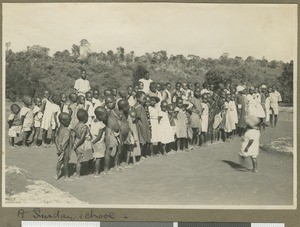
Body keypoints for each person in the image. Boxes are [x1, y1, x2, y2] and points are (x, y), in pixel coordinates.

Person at [73, 109, 93, 179]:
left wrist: (74, 144)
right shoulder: (85, 127)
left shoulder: (76, 126)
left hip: (76, 142)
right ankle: (78, 175)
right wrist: (77, 145)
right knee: (80, 160)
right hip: (81, 145)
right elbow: (82, 138)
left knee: (79, 159)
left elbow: (74, 135)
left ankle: (78, 173)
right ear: (85, 118)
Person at [104, 95, 121, 174]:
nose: (108, 104)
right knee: (108, 150)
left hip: (117, 132)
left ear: (114, 101)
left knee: (117, 149)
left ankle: (116, 165)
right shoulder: (107, 112)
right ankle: (106, 169)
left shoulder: (116, 110)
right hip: (110, 132)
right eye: (107, 103)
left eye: (110, 102)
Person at [54, 112, 72, 181]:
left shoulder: (58, 128)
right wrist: (62, 150)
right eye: (68, 121)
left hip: (59, 148)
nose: (69, 123)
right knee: (66, 163)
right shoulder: (67, 131)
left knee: (59, 162)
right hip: (65, 149)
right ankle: (66, 177)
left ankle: (57, 175)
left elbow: (55, 138)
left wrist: (58, 148)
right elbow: (66, 141)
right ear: (62, 121)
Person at [91, 106, 108, 177]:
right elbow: (99, 136)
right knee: (99, 158)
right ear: (100, 116)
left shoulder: (93, 121)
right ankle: (96, 173)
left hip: (93, 140)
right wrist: (94, 142)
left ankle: (93, 170)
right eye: (105, 116)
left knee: (95, 156)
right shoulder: (102, 125)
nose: (106, 117)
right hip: (99, 142)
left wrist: (92, 142)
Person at [133, 91, 151, 159]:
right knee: (142, 140)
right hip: (141, 125)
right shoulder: (138, 107)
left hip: (143, 124)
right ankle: (139, 155)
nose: (145, 100)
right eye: (143, 99)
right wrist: (141, 125)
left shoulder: (139, 106)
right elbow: (137, 117)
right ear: (138, 98)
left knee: (142, 140)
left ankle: (141, 154)